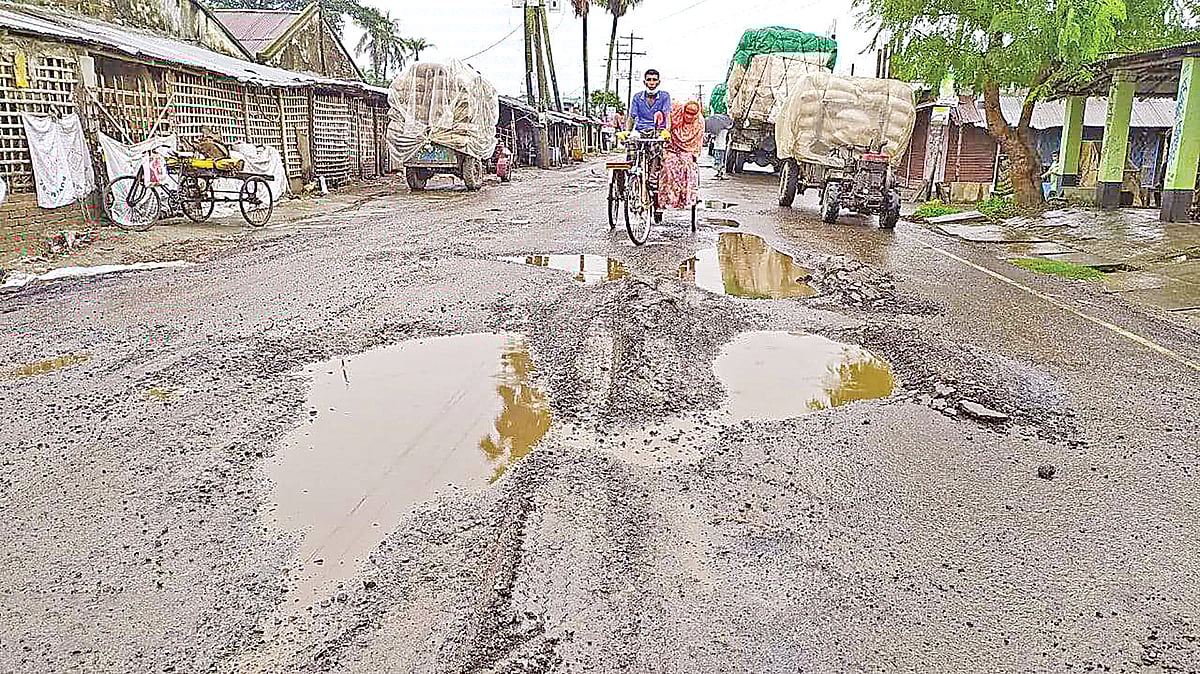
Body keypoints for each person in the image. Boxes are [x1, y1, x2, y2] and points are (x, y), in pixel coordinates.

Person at [658, 100, 704, 210]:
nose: (689, 116)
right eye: (687, 112)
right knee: (669, 166)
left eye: (692, 114)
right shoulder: (675, 117)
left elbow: (697, 144)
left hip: (687, 151)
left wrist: (692, 155)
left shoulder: (699, 124)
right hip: (670, 148)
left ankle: (685, 198)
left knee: (688, 167)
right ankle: (667, 199)